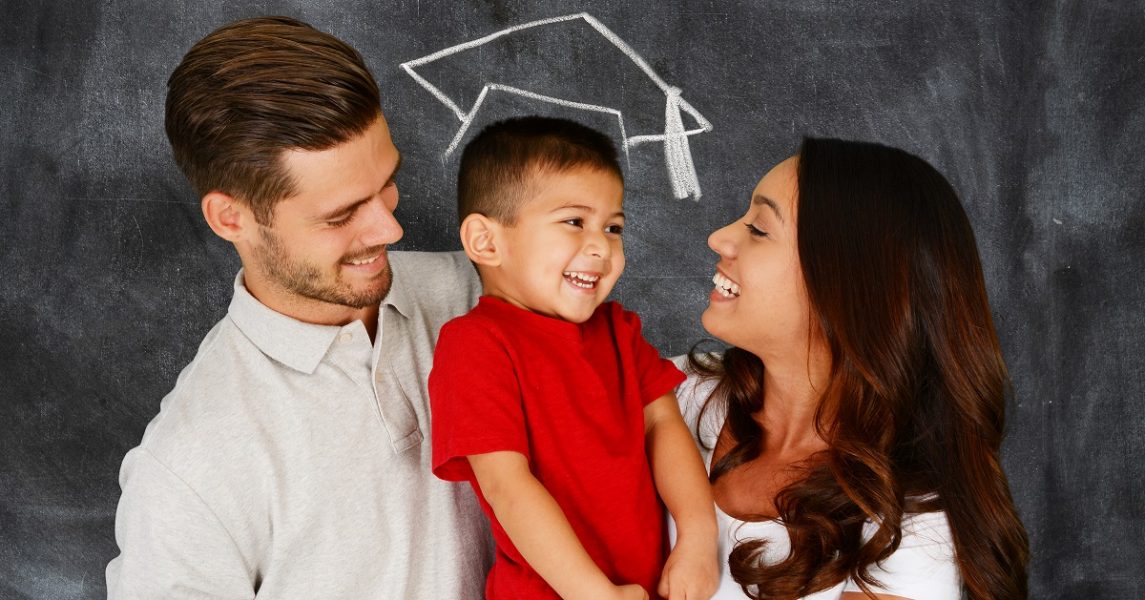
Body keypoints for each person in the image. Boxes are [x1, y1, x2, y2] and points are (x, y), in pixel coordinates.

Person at [106, 16, 493, 599]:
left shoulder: (479, 294)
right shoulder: (188, 471)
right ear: (229, 218)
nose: (390, 226)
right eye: (340, 215)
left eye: (387, 183)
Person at [674, 138, 1029, 599]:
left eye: (759, 229)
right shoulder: (679, 392)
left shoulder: (907, 529)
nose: (719, 238)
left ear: (846, 286)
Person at [429, 117, 719, 600]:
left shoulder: (618, 331)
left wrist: (698, 536)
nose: (600, 246)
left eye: (613, 227)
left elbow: (664, 427)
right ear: (486, 241)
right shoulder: (475, 344)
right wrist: (593, 594)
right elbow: (507, 487)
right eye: (573, 221)